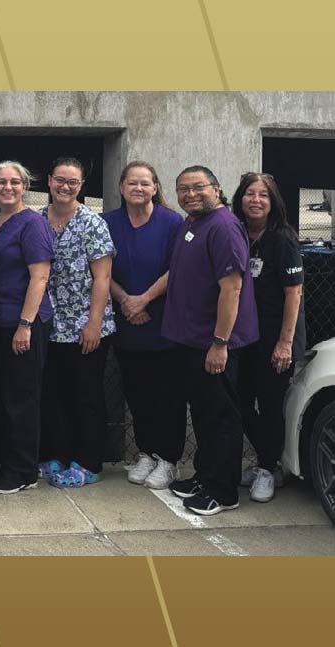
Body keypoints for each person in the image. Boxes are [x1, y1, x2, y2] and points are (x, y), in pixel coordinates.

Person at [163, 165, 259, 515]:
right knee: (203, 414)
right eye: (183, 189)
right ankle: (205, 476)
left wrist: (220, 343)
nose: (190, 194)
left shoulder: (224, 226)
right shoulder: (192, 223)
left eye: (198, 187)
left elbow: (232, 287)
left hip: (215, 343)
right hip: (192, 341)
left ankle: (223, 490)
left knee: (221, 416)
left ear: (217, 189)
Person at [104, 161, 187, 490]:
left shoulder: (172, 222)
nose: (138, 188)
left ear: (155, 188)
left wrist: (143, 300)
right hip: (127, 322)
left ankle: (169, 459)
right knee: (136, 392)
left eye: (145, 183)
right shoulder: (107, 222)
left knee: (167, 395)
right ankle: (147, 452)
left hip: (162, 321)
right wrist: (126, 300)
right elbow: (101, 269)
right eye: (132, 183)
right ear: (122, 188)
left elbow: (176, 268)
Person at [39, 157, 116, 488]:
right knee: (54, 395)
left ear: (81, 186)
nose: (65, 187)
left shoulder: (92, 223)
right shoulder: (37, 220)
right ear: (49, 181)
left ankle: (88, 461)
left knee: (86, 395)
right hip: (50, 326)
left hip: (85, 326)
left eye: (72, 182)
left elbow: (102, 277)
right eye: (60, 180)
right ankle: (58, 454)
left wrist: (93, 323)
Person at [0, 161, 54, 495]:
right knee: (1, 396)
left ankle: (24, 471)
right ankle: (8, 463)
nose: (8, 187)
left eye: (15, 182)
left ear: (25, 186)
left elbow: (40, 276)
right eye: (1, 182)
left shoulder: (32, 224)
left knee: (21, 400)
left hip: (23, 324)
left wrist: (25, 324)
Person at [232, 172, 305, 503]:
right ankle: (270, 461)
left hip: (277, 339)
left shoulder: (283, 239)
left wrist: (285, 343)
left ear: (273, 201)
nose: (256, 200)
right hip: (245, 337)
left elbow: (294, 293)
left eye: (263, 195)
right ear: (240, 199)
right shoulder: (238, 234)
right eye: (250, 193)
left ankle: (266, 468)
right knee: (241, 402)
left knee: (272, 404)